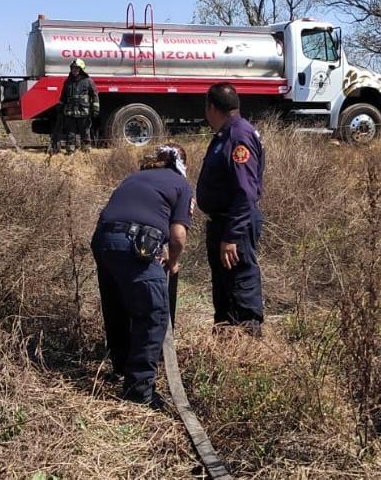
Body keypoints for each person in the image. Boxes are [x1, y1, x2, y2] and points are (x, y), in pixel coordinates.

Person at [92, 143, 193, 408]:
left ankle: (120, 367)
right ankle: (139, 391)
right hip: (135, 243)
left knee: (116, 307)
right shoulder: (181, 185)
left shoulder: (134, 177)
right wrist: (173, 261)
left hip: (103, 239)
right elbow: (178, 235)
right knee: (153, 314)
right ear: (183, 166)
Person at [196, 83, 266, 336]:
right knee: (224, 289)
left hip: (234, 225)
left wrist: (231, 236)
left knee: (240, 285)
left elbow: (245, 192)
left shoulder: (238, 136)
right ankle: (226, 342)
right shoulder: (226, 134)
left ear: (211, 107)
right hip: (222, 223)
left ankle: (247, 345)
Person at [51, 58, 98, 154]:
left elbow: (94, 96)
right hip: (70, 112)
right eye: (73, 68)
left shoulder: (88, 81)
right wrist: (60, 106)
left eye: (77, 68)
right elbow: (63, 96)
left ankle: (86, 151)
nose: (74, 70)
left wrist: (95, 108)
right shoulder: (67, 82)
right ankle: (70, 152)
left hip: (84, 112)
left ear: (81, 69)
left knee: (85, 133)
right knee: (70, 134)